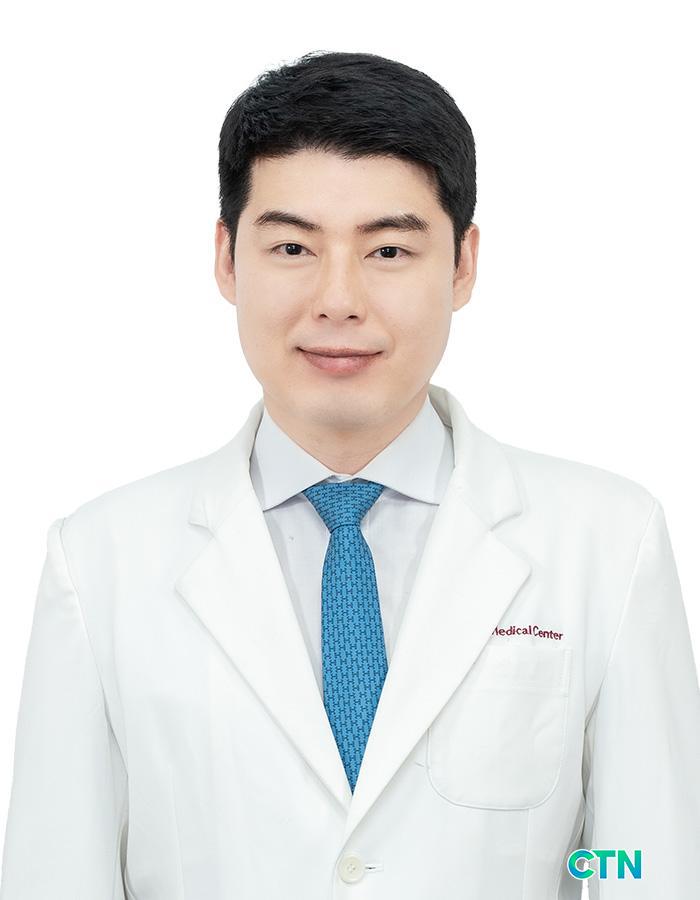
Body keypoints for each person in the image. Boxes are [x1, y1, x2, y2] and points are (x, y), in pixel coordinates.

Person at [1, 49, 699, 900]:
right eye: (293, 246)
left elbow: (647, 868)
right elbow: (56, 877)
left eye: (389, 250)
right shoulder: (101, 561)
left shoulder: (607, 543)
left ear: (463, 263)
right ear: (226, 259)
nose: (338, 299)